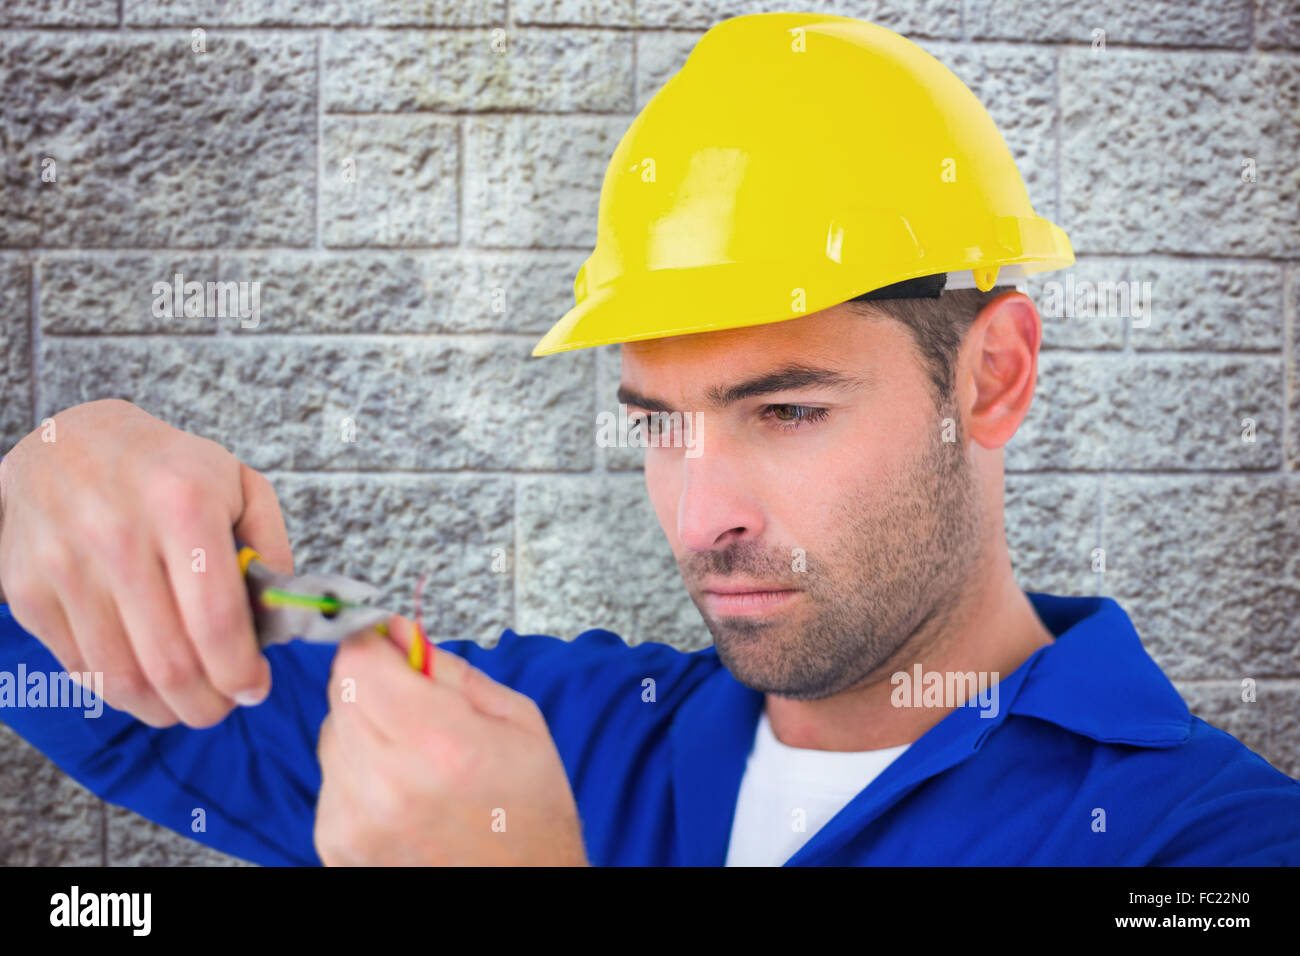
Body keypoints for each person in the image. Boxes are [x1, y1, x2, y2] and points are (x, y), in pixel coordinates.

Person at [1, 12, 1296, 866]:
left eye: (785, 410)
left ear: (995, 377)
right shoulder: (547, 733)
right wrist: (63, 503)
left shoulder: (1205, 848)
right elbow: (121, 691)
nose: (698, 519)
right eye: (660, 426)